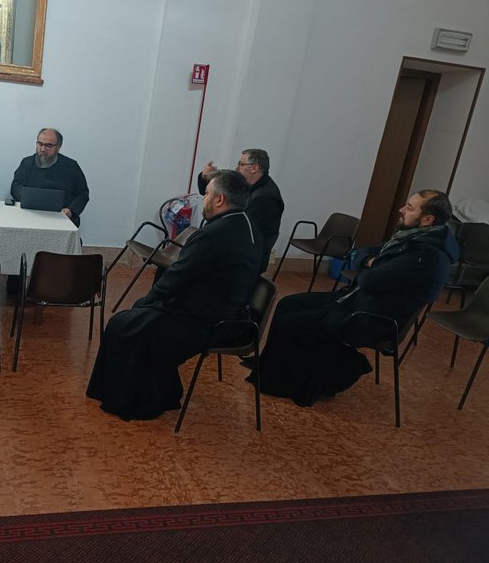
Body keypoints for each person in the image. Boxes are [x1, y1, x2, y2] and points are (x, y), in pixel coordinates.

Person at [250, 190, 459, 406]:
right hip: (359, 300)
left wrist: (371, 264)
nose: (401, 210)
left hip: (371, 317)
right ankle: (268, 368)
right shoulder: (412, 238)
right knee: (288, 304)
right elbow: (362, 251)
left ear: (427, 219)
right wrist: (370, 262)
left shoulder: (426, 256)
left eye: (410, 208)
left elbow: (369, 280)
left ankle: (285, 383)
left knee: (293, 322)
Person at [87, 170, 263, 420]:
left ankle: (135, 400)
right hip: (230, 313)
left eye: (207, 194)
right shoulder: (250, 228)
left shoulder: (214, 234)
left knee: (125, 325)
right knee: (131, 322)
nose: (204, 199)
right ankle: (161, 390)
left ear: (220, 199)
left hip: (207, 321)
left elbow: (177, 277)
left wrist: (146, 302)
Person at [198, 149, 283, 271]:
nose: (237, 168)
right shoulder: (247, 182)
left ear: (254, 168)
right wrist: (205, 176)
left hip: (246, 258)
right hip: (234, 248)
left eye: (241, 164)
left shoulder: (266, 198)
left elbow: (240, 229)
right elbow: (220, 184)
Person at [10, 128, 90, 227]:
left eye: (48, 146)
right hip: (31, 216)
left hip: (61, 218)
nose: (43, 149)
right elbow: (15, 187)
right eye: (40, 144)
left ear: (58, 147)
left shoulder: (71, 166)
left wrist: (71, 210)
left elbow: (82, 194)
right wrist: (27, 199)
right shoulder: (27, 163)